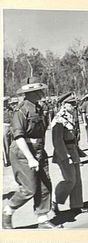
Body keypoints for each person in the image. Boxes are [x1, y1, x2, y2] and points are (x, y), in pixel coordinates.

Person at [2, 77, 62, 229]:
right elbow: (19, 136)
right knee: (29, 188)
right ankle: (7, 212)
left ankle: (42, 219)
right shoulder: (21, 110)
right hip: (23, 152)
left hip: (38, 150)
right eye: (38, 91)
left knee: (44, 185)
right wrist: (30, 158)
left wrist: (39, 153)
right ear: (30, 93)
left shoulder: (38, 108)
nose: (42, 93)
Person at [51, 92, 88, 215]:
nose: (75, 106)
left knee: (77, 179)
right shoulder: (59, 119)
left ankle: (77, 205)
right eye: (72, 104)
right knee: (70, 180)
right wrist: (65, 155)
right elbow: (57, 140)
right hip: (64, 151)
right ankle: (54, 201)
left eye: (75, 104)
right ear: (64, 105)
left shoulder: (71, 116)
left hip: (73, 150)